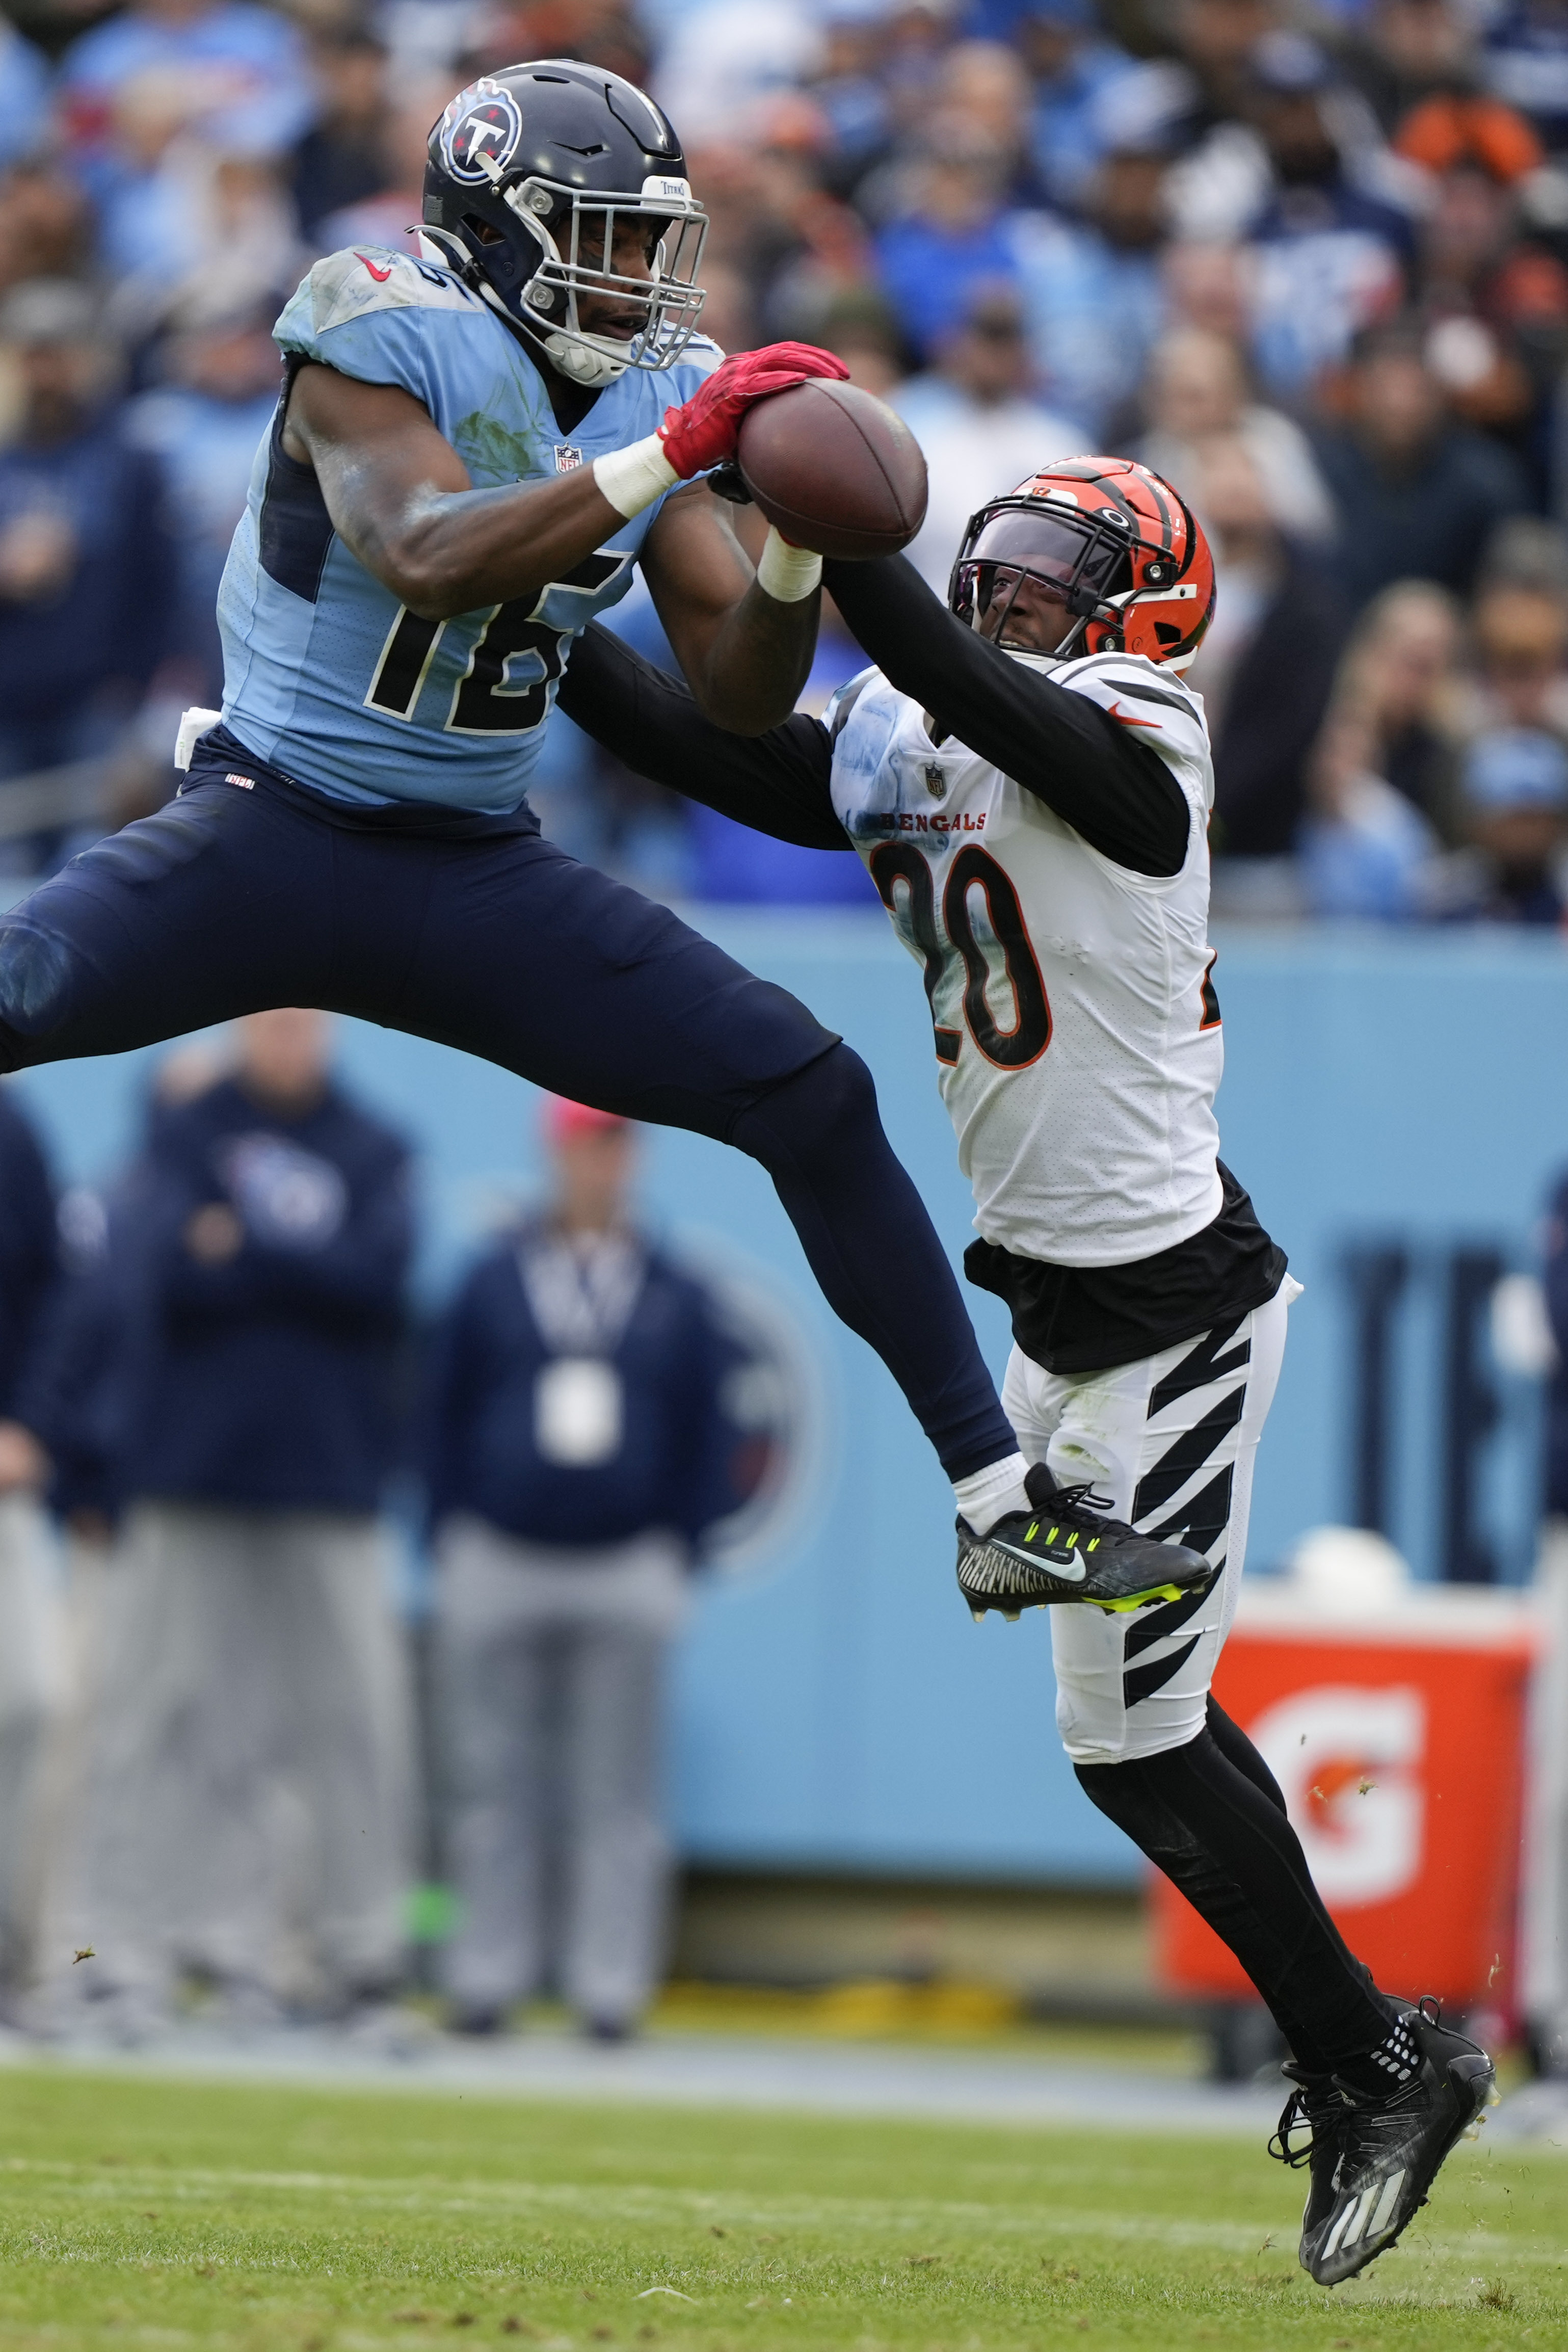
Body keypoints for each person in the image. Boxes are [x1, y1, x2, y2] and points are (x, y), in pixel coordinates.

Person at [558, 454, 1495, 2285]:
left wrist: (838, 534)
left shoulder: (1143, 742)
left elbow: (976, 692)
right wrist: (541, 629)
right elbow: (726, 762)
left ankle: (1381, 2062)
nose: (1002, 608)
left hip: (1175, 1310)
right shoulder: (942, 716)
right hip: (1056, 1317)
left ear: (1139, 616)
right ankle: (1376, 2053)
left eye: (1044, 582)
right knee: (1125, 1737)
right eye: (989, 574)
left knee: (1131, 1739)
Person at [0, 60, 1068, 1599]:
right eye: (599, 237)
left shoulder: (650, 390)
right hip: (269, 825)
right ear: (488, 228)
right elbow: (427, 553)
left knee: (813, 1095)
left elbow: (733, 687)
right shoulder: (369, 324)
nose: (633, 278)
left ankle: (993, 1498)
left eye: (648, 244)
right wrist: (674, 449)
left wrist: (789, 558)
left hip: (466, 865)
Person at [52, 1010, 415, 2035]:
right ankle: (123, 1954)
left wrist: (248, 1247)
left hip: (330, 1478)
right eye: (274, 1015)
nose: (290, 1032)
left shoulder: (375, 1142)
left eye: (307, 1017)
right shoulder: (186, 1127)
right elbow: (163, 1267)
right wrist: (307, 1257)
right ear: (248, 1021)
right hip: (188, 1470)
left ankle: (354, 1959)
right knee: (151, 1719)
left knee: (349, 1726)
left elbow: (377, 1282)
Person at [428, 1096, 744, 2042]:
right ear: (555, 1154)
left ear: (634, 1158)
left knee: (619, 1789)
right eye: (586, 1146)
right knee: (492, 1782)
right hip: (501, 1551)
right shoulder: (493, 1278)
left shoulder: (674, 1290)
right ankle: (485, 1976)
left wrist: (676, 1548)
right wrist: (449, 1534)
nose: (602, 1164)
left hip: (623, 1560)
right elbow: (439, 1407)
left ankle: (609, 1988)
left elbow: (709, 1429)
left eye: (616, 1146)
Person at [0, 1081, 61, 2003]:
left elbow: (59, 1296)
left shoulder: (12, 1131)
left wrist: (28, 1422)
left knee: (31, 1700)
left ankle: (9, 1953)